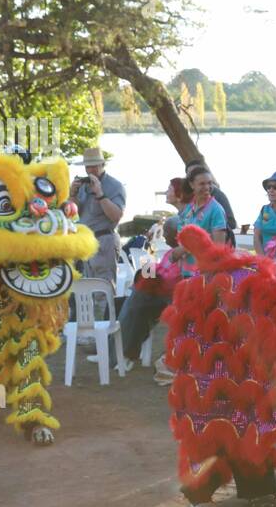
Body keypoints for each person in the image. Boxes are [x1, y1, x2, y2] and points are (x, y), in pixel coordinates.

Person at [117, 217, 184, 376]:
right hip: (156, 292)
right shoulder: (169, 253)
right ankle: (110, 348)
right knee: (117, 303)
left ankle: (127, 354)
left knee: (137, 304)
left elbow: (172, 282)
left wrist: (152, 277)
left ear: (177, 234)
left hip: (168, 298)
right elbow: (159, 269)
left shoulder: (184, 257)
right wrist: (148, 271)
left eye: (166, 232)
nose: (164, 235)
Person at [70, 147, 127, 285]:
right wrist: (72, 194)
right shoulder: (83, 185)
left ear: (102, 164)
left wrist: (100, 194)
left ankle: (106, 308)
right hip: (83, 243)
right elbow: (72, 213)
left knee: (103, 288)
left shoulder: (115, 186)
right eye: (87, 166)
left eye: (94, 165)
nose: (91, 170)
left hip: (104, 241)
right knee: (82, 288)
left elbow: (116, 216)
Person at [175, 166, 228, 276]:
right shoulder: (189, 208)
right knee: (148, 269)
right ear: (191, 185)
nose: (207, 187)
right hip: (186, 272)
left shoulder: (216, 210)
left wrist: (185, 248)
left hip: (204, 275)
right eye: (202, 184)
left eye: (209, 183)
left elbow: (218, 248)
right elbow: (181, 236)